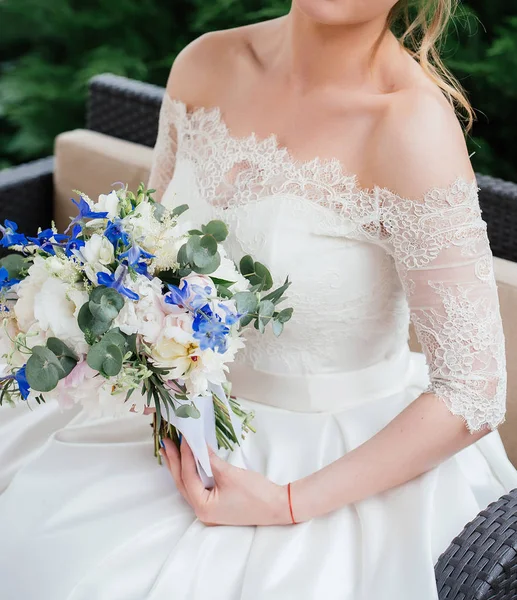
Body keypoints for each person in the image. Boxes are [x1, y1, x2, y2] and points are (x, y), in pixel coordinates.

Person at [1, 1, 517, 599]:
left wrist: (286, 502)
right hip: (174, 416)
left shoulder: (409, 126)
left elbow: (474, 392)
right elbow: (147, 243)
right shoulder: (207, 62)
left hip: (326, 466)